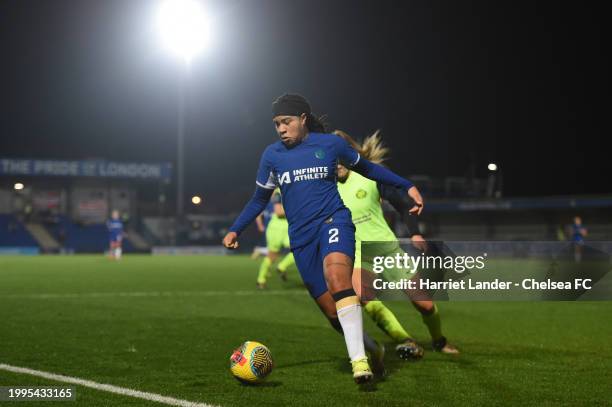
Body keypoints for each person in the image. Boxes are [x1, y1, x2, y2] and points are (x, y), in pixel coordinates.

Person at [222, 93, 423, 384]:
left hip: (335, 221)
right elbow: (258, 199)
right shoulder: (272, 156)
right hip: (301, 239)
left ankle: (359, 363)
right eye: (276, 123)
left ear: (303, 119)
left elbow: (369, 169)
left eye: (286, 121)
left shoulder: (330, 144)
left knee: (339, 280)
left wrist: (408, 186)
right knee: (331, 311)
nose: (281, 128)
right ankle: (372, 348)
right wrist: (235, 228)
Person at [334, 130, 458, 355]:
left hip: (387, 249)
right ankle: (406, 340)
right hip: (358, 253)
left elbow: (401, 204)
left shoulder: (369, 176)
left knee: (424, 304)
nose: (337, 163)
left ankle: (439, 341)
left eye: (340, 156)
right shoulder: (326, 189)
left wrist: (414, 233)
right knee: (361, 297)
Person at [256, 189, 296, 288]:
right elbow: (279, 212)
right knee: (272, 256)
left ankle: (281, 266)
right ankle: (261, 280)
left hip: (286, 227)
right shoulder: (279, 191)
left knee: (298, 249)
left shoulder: (292, 189)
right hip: (277, 228)